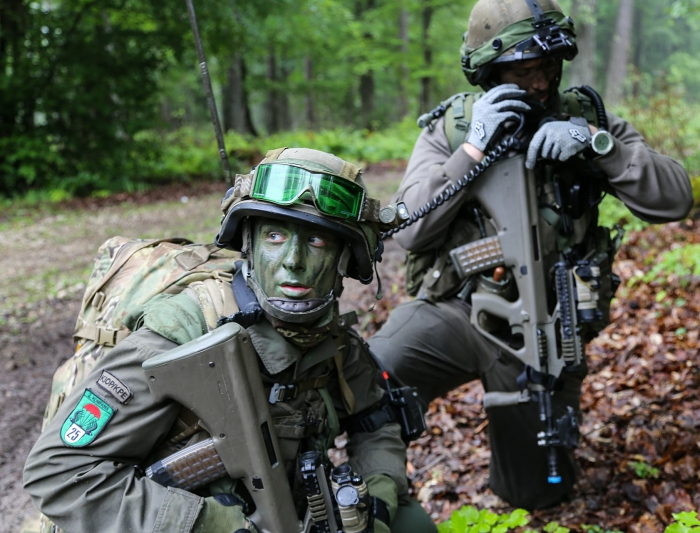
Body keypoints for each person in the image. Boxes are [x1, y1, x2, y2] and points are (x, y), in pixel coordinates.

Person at [369, 0, 694, 510]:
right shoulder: (453, 127)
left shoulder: (585, 118)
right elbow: (408, 229)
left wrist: (598, 145)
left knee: (538, 493)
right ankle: (375, 489)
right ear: (489, 71)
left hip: (543, 334)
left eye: (548, 66)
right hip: (458, 312)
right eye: (523, 71)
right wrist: (472, 150)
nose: (540, 83)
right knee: (374, 373)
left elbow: (675, 199)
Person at [23, 148, 437, 533]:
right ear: (249, 243)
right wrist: (211, 525)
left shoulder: (333, 337)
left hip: (288, 514)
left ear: (345, 258)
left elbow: (377, 424)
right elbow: (58, 471)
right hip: (178, 521)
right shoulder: (182, 333)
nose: (293, 261)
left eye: (316, 241)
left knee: (410, 525)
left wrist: (373, 506)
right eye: (275, 237)